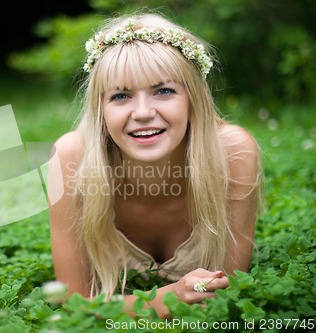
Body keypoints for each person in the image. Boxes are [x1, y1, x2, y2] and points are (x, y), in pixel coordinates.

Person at [47, 10, 263, 318]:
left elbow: (226, 288)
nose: (144, 112)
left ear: (193, 98)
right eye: (121, 95)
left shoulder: (232, 152)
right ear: (100, 109)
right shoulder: (71, 159)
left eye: (164, 91)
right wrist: (165, 299)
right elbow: (73, 301)